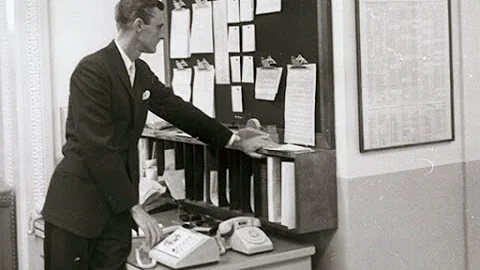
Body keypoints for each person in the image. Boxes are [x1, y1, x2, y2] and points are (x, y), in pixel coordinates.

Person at [41, 0, 273, 269]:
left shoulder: (140, 72)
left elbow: (178, 110)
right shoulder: (92, 70)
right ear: (139, 26)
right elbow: (98, 149)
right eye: (160, 26)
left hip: (115, 212)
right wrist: (135, 208)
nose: (164, 34)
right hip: (77, 210)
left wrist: (233, 139)